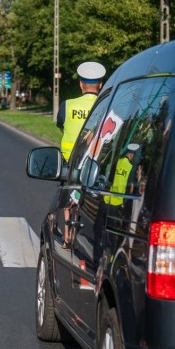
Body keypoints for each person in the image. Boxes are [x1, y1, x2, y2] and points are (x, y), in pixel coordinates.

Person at [56, 61, 106, 248]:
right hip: (95, 160)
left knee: (69, 192)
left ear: (80, 84)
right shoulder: (105, 105)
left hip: (70, 159)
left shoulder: (67, 105)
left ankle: (68, 235)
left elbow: (61, 125)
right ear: (100, 84)